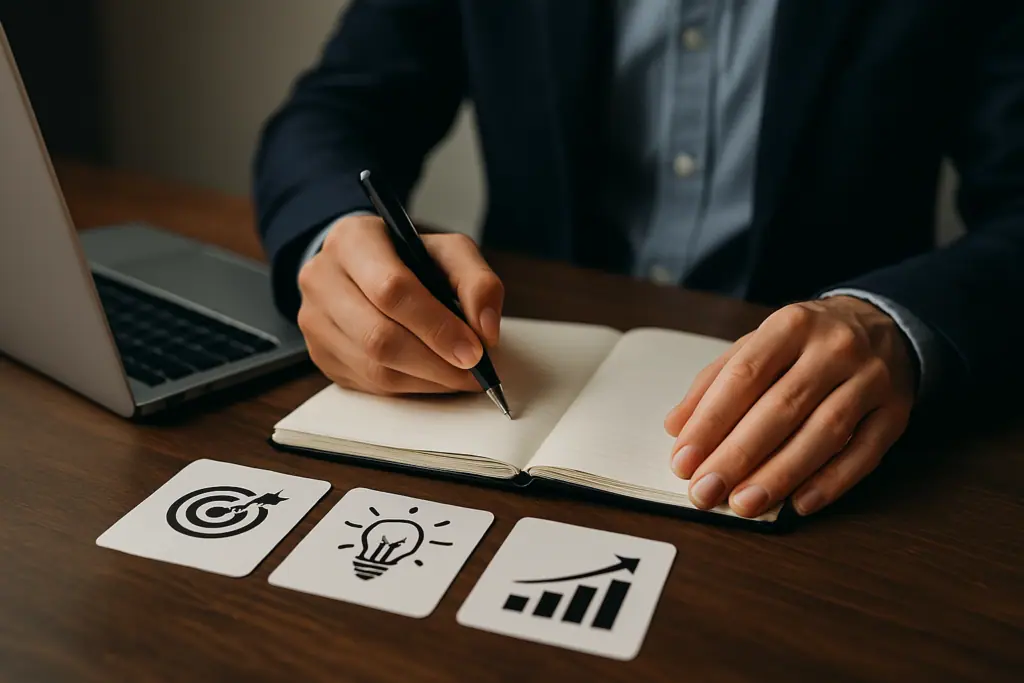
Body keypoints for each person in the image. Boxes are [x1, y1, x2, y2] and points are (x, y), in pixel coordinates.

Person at [253, 1, 1024, 520]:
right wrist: (335, 235)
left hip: (849, 472)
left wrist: (894, 324)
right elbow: (336, 110)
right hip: (518, 397)